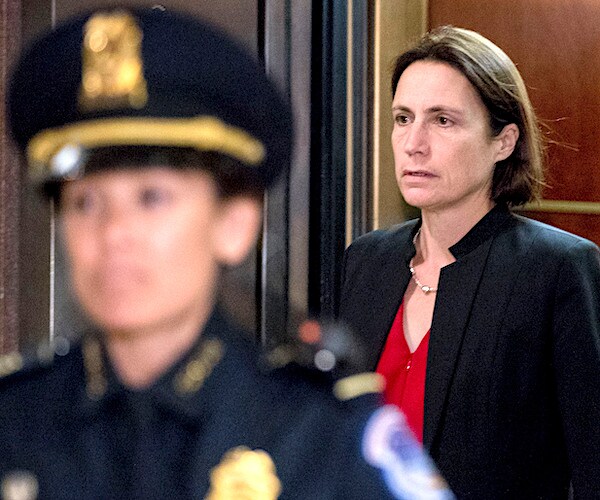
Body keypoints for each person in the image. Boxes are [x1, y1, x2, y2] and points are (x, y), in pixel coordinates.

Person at [0, 7, 455, 500]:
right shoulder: (15, 422)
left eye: (152, 198)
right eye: (85, 203)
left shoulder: (321, 437)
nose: (113, 233)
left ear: (234, 225)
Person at [338, 25, 600, 499]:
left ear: (504, 141)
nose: (414, 143)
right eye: (403, 118)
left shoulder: (559, 269)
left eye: (442, 120)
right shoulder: (367, 260)